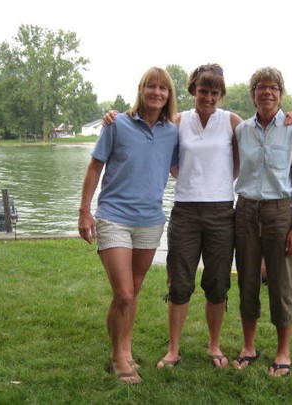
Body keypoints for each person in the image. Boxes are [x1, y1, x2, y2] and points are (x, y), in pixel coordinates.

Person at [104, 63, 241, 369]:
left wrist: (291, 118)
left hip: (221, 211)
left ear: (221, 94)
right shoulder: (178, 121)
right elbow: (150, 134)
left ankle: (214, 345)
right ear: (193, 90)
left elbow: (248, 151)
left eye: (214, 92)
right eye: (203, 91)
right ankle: (173, 349)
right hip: (186, 211)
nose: (208, 97)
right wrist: (113, 116)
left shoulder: (231, 121)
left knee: (217, 282)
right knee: (179, 282)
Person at [78, 66, 178, 384]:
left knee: (134, 288)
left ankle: (126, 347)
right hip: (114, 216)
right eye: (151, 86)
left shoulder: (173, 132)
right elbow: (95, 168)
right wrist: (84, 211)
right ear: (141, 89)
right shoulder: (116, 124)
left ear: (169, 95)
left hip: (150, 220)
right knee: (122, 293)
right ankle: (117, 357)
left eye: (163, 88)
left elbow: (183, 166)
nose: (157, 92)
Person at [232, 66, 292, 377]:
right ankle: (248, 347)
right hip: (246, 210)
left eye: (273, 87)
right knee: (247, 280)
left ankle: (282, 352)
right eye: (260, 87)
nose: (266, 92)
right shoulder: (241, 130)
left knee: (281, 284)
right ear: (253, 94)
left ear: (281, 93)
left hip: (280, 211)